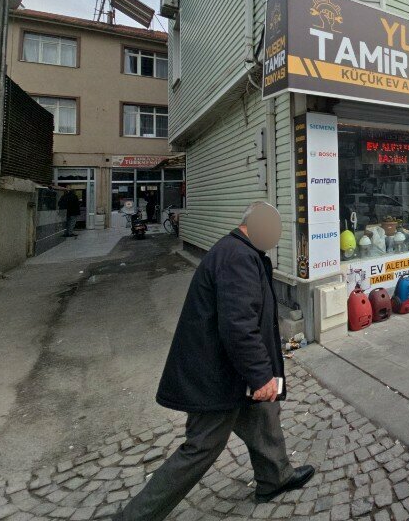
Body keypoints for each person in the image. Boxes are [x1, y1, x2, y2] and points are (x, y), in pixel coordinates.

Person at [117, 202, 314, 520]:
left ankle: (275, 477)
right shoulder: (238, 258)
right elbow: (238, 325)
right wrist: (261, 375)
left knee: (264, 413)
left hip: (230, 369)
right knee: (202, 446)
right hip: (215, 374)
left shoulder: (240, 251)